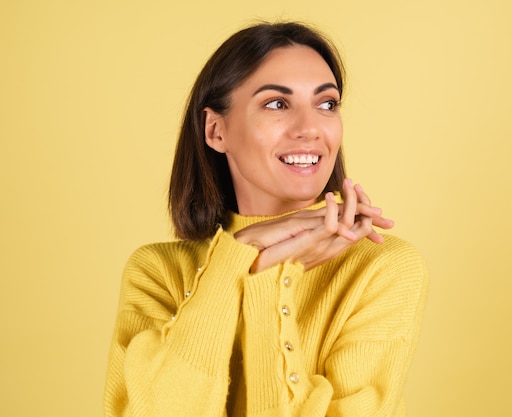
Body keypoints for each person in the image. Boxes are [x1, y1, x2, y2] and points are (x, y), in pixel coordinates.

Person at [104, 21, 428, 417]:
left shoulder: (382, 267)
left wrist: (268, 281)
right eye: (277, 103)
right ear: (215, 130)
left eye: (326, 104)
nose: (310, 128)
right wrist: (235, 261)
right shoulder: (157, 272)